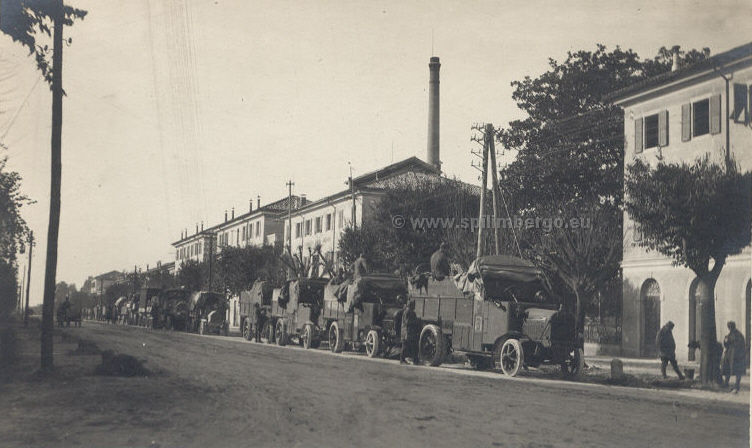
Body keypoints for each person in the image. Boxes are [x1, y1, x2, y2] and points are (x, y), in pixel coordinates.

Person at [721, 321, 746, 393]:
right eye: (729, 327)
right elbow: (726, 344)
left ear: (733, 326)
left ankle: (737, 385)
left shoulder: (738, 335)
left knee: (737, 370)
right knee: (726, 368)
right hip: (729, 354)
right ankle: (726, 382)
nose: (730, 328)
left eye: (730, 326)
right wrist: (725, 341)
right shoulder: (729, 334)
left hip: (736, 355)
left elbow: (740, 345)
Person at [400, 300, 420, 365]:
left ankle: (413, 360)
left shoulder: (408, 311)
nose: (414, 306)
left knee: (408, 346)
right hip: (407, 332)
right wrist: (417, 321)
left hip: (407, 332)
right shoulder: (408, 312)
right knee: (411, 346)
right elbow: (407, 322)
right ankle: (413, 360)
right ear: (411, 305)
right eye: (413, 305)